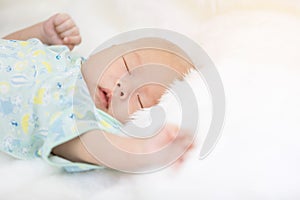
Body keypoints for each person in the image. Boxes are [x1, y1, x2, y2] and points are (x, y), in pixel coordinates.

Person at [0, 13, 194, 173]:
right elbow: (8, 47)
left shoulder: (81, 113)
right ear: (109, 47)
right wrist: (40, 33)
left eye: (140, 101)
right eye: (126, 66)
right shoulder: (65, 59)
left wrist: (141, 150)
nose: (123, 88)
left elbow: (92, 145)